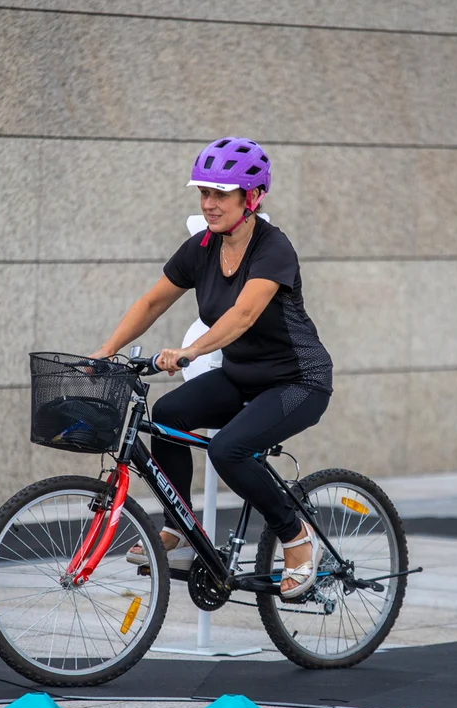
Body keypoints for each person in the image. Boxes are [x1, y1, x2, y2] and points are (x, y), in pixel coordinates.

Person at [92, 137, 334, 600]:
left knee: (228, 451)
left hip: (298, 381)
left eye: (221, 194)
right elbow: (151, 302)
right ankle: (180, 530)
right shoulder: (202, 246)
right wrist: (105, 352)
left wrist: (188, 352)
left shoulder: (272, 248)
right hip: (242, 376)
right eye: (204, 192)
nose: (209, 203)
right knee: (165, 417)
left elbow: (242, 316)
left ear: (253, 197)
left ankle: (296, 537)